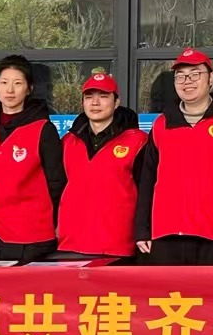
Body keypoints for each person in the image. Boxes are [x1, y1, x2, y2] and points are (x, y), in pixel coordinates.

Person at [135, 48, 213, 265]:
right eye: (180, 76)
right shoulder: (161, 124)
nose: (187, 81)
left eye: (195, 74)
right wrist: (142, 229)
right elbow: (147, 180)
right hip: (165, 234)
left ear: (211, 78)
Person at [0, 55, 66, 262]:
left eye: (17, 83)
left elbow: (56, 183)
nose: (10, 90)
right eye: (4, 83)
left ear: (29, 89)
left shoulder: (43, 129)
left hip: (28, 235)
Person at [56, 73, 148, 258]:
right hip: (70, 243)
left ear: (116, 102)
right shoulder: (67, 142)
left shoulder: (138, 142)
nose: (95, 103)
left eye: (104, 96)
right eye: (89, 97)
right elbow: (55, 188)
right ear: (82, 102)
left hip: (118, 244)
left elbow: (147, 193)